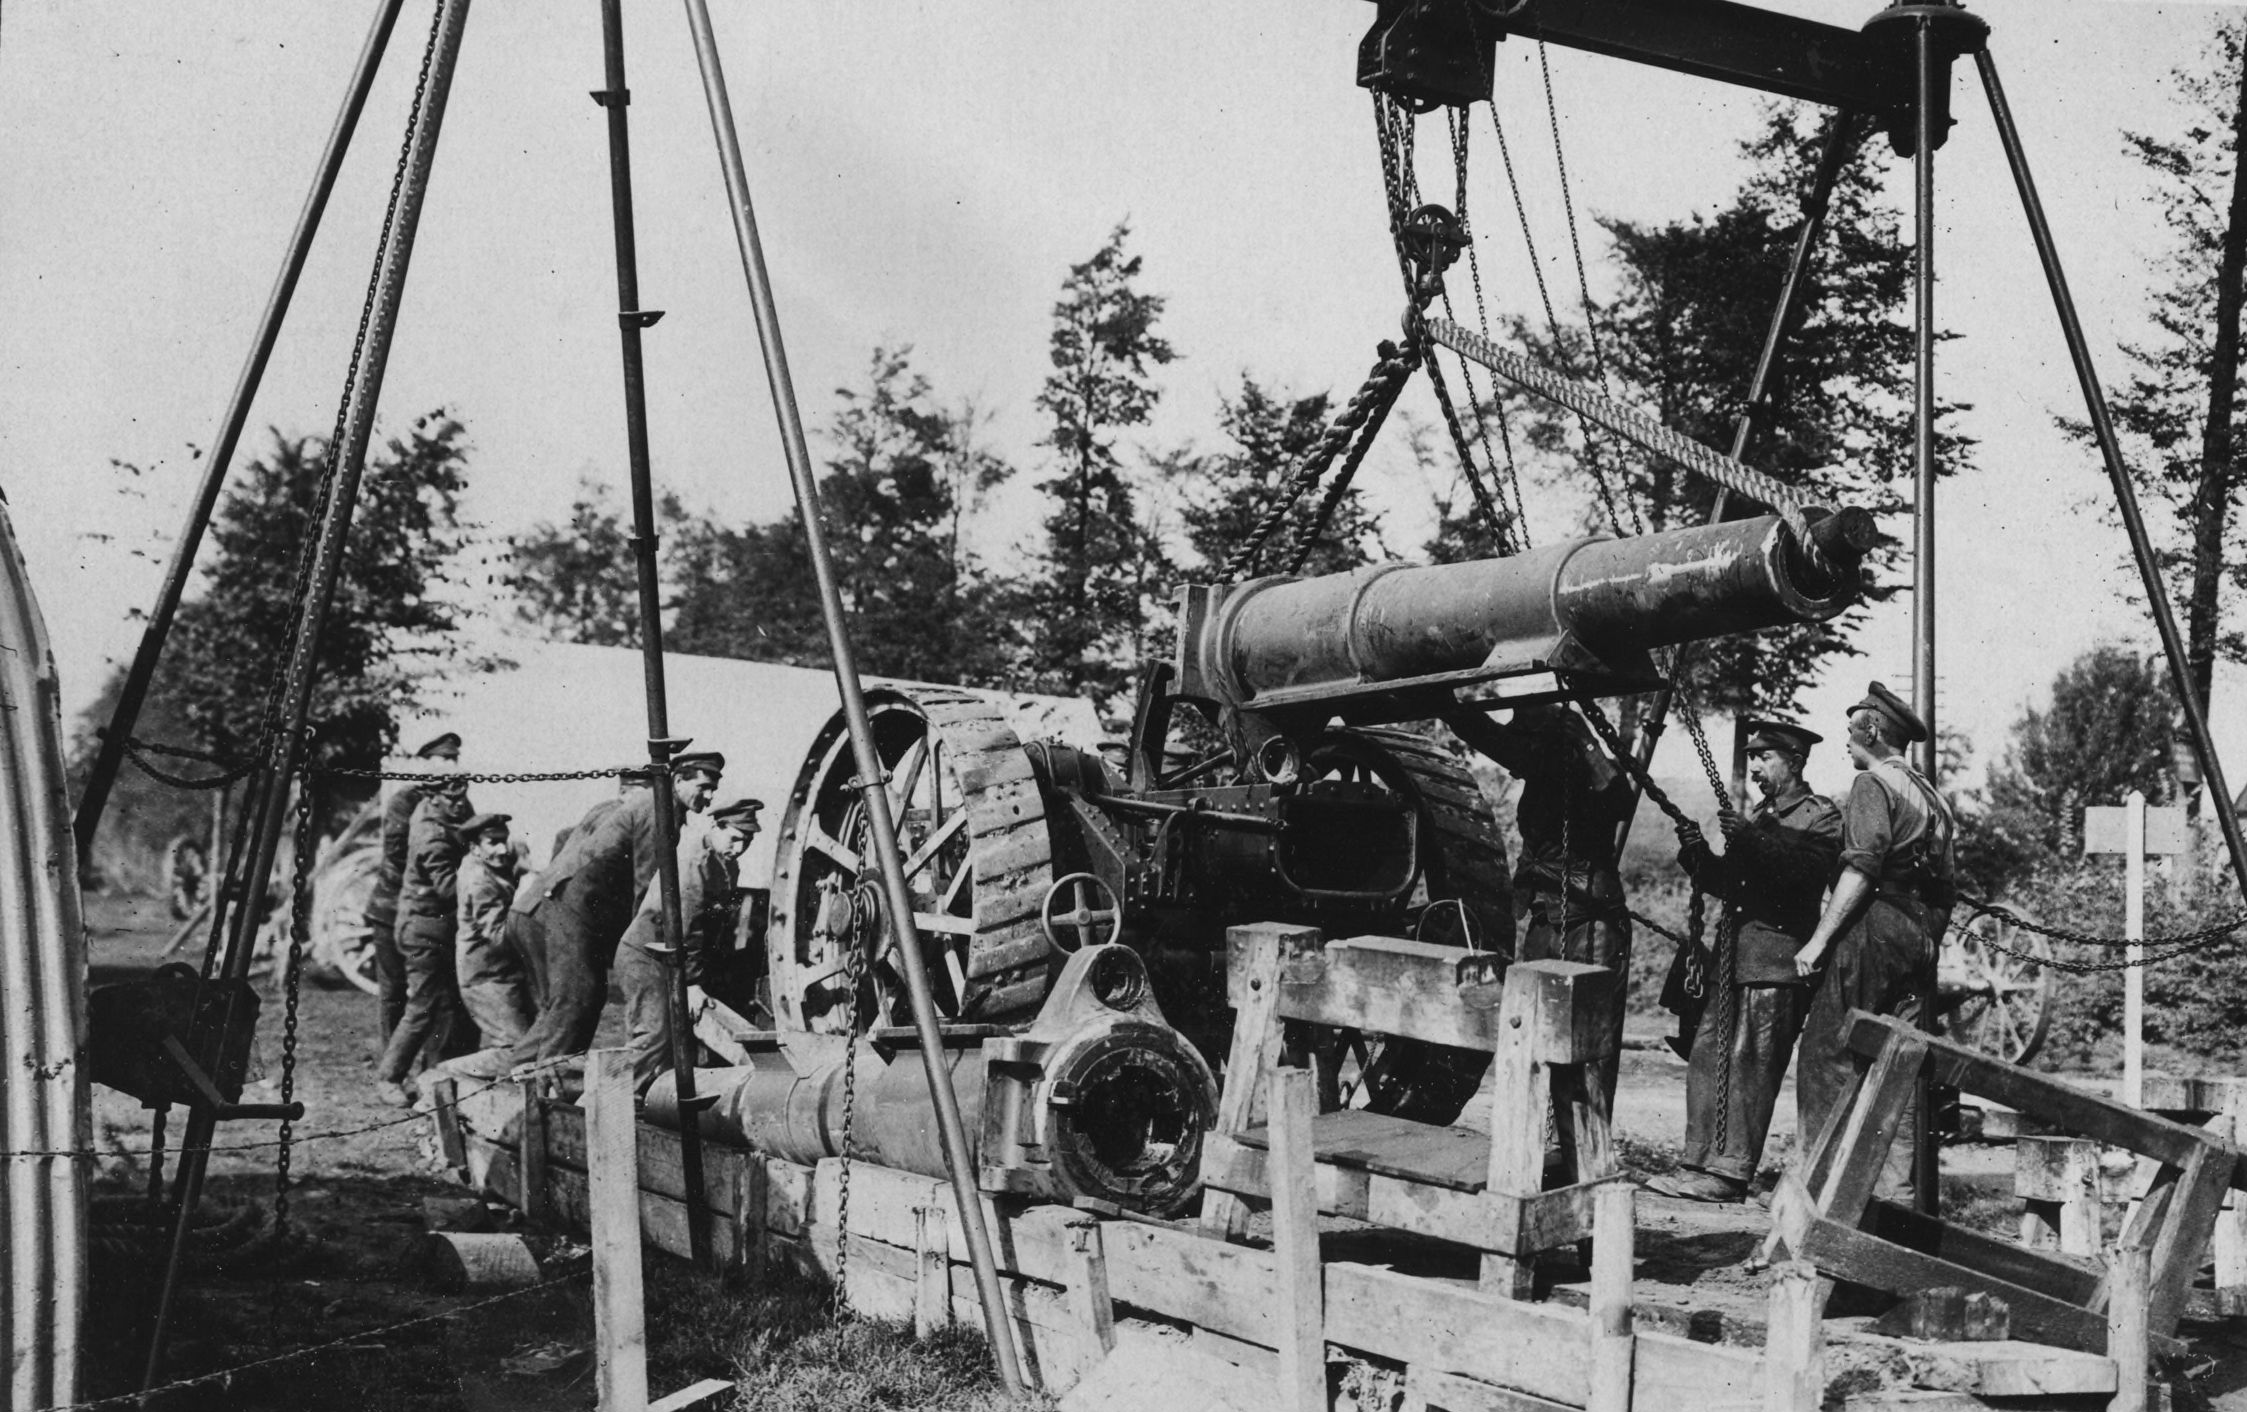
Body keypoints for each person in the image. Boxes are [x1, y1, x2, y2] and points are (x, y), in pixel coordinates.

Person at [1647, 720, 1842, 1203]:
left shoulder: (1822, 817)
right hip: (1733, 960)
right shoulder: (1760, 816)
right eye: (1752, 758)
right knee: (1706, 1056)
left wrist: (1752, 839)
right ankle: (1696, 1163)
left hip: (1776, 964)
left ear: (1794, 763)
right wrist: (1698, 856)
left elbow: (1805, 876)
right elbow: (1734, 884)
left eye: (1765, 758)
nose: (1755, 766)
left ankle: (1729, 1174)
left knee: (1749, 1065)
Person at [1792, 682, 1957, 1202]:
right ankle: (1892, 1201)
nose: (1846, 741)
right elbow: (1947, 888)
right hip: (1917, 937)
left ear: (1873, 730)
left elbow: (1861, 869)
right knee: (1897, 1065)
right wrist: (1925, 941)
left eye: (1851, 731)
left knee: (1828, 1056)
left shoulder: (1871, 787)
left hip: (1873, 929)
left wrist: (1818, 943)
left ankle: (1818, 1196)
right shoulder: (1934, 797)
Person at [1449, 702, 1637, 1104]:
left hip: (1591, 923)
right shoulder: (1542, 775)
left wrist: (1587, 741)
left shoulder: (1593, 775)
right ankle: (1539, 1144)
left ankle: (1583, 1156)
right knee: (1532, 1031)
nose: (1516, 760)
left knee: (1589, 1046)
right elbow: (1492, 738)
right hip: (1544, 917)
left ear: (1550, 744)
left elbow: (1621, 802)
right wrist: (1449, 705)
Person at [509, 751, 725, 1071]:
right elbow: (647, 887)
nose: (709, 797)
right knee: (575, 1002)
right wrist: (643, 946)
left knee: (576, 1002)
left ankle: (523, 1077)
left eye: (714, 790)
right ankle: (536, 1088)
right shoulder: (658, 810)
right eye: (703, 787)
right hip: (566, 910)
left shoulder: (647, 806)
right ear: (678, 781)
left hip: (547, 907)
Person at [612, 797, 762, 1091]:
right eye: (734, 839)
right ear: (716, 826)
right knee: (653, 1035)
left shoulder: (726, 865)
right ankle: (607, 1095)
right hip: (647, 954)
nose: (740, 848)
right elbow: (686, 927)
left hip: (671, 956)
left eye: (747, 841)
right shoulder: (696, 862)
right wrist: (692, 984)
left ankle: (655, 1098)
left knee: (674, 1037)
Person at [374, 772, 477, 1105]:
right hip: (424, 931)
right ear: (433, 798)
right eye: (452, 798)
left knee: (444, 1006)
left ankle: (431, 1079)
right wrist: (484, 870)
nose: (459, 804)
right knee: (421, 1007)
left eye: (462, 797)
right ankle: (389, 1078)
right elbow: (448, 887)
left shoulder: (440, 818)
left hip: (433, 927)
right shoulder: (433, 835)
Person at [363, 732, 460, 1050]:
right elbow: (397, 854)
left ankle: (433, 1069)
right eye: (442, 760)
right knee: (393, 992)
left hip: (431, 914)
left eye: (453, 760)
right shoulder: (404, 801)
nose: (449, 766)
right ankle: (392, 1068)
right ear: (425, 765)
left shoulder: (458, 801)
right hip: (391, 909)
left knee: (438, 993)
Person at [451, 811, 535, 1074]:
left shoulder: (486, 863)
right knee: (515, 1050)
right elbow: (498, 937)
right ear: (475, 847)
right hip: (486, 977)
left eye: (504, 840)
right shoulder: (480, 882)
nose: (502, 849)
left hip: (500, 972)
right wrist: (526, 891)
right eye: (493, 843)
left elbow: (515, 850)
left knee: (531, 1041)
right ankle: (441, 1078)